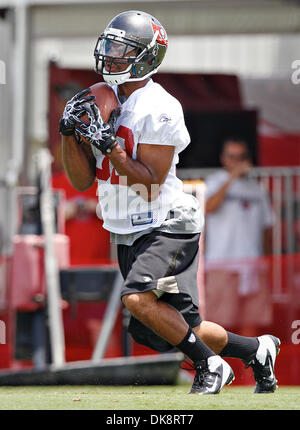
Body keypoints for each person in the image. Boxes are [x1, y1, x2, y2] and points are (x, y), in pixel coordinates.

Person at [58, 10, 280, 395]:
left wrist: (109, 144)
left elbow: (150, 184)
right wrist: (69, 133)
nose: (110, 56)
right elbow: (80, 181)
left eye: (121, 49)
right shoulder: (103, 100)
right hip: (127, 229)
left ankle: (211, 366)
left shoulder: (158, 106)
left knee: (137, 298)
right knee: (171, 327)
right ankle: (258, 350)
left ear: (146, 56)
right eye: (108, 46)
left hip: (166, 221)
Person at [204, 138, 274, 337]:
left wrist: (267, 262)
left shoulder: (257, 188)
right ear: (223, 159)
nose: (237, 161)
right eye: (232, 157)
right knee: (219, 324)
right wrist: (231, 178)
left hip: (253, 265)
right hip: (222, 264)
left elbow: (267, 228)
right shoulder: (214, 181)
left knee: (252, 322)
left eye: (241, 157)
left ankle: (249, 368)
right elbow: (209, 207)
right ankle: (219, 368)